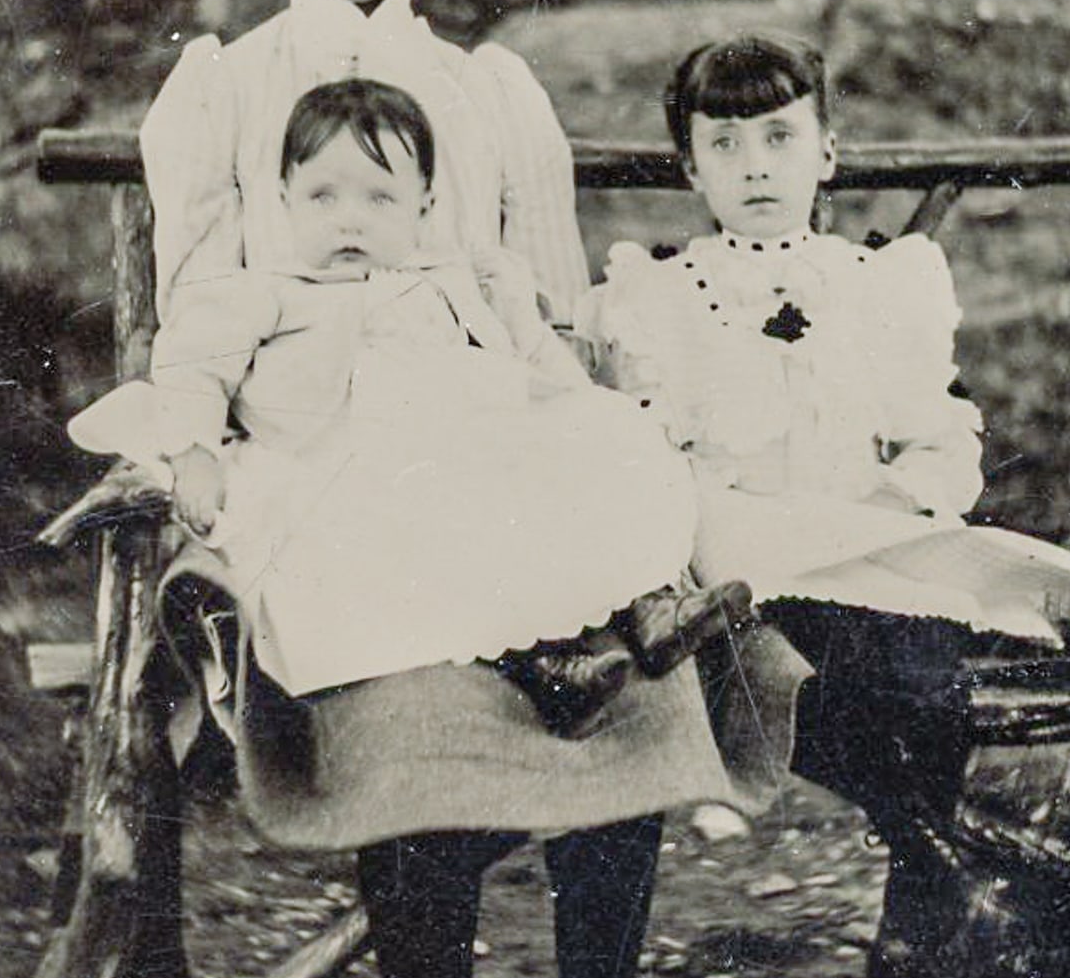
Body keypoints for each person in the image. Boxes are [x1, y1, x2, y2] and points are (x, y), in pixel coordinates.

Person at [126, 0, 796, 978]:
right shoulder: (227, 89)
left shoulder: (490, 93)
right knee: (416, 722)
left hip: (493, 470)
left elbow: (539, 316)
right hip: (327, 497)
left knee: (630, 701)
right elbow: (200, 328)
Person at [578, 35, 1070, 978]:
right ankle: (946, 861)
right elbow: (647, 451)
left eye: (780, 139)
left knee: (922, 677)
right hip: (731, 574)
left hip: (866, 551)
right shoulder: (654, 294)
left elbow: (938, 436)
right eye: (727, 146)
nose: (756, 169)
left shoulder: (880, 281)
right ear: (690, 166)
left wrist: (899, 494)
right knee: (799, 672)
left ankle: (922, 913)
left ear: (826, 151)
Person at [71, 77, 746, 708]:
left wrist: (582, 409)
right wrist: (195, 452)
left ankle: (650, 604)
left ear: (424, 205)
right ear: (283, 198)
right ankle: (544, 664)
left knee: (606, 440)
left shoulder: (454, 279)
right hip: (349, 465)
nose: (349, 223)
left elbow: (528, 359)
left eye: (379, 199)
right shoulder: (265, 293)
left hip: (473, 445)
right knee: (436, 542)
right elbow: (192, 366)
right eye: (322, 198)